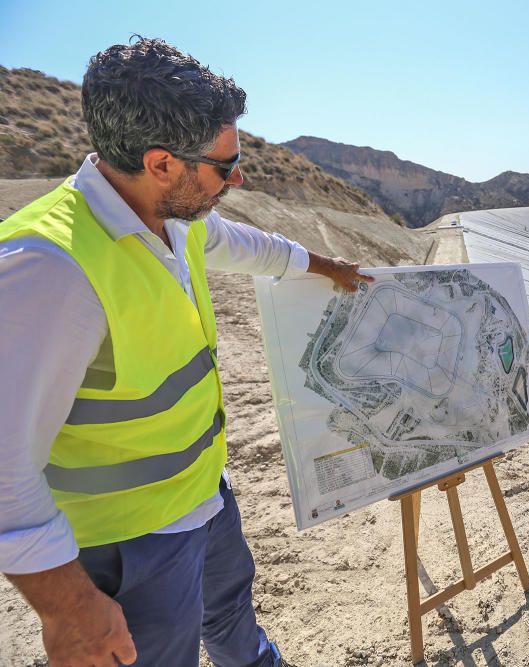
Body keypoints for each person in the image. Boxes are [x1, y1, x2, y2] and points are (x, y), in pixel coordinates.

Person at [0, 37, 373, 666]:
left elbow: (246, 245)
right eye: (225, 165)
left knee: (230, 615)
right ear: (162, 163)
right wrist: (68, 606)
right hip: (130, 545)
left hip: (206, 497)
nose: (239, 176)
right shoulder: (49, 268)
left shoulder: (174, 219)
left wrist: (322, 263)